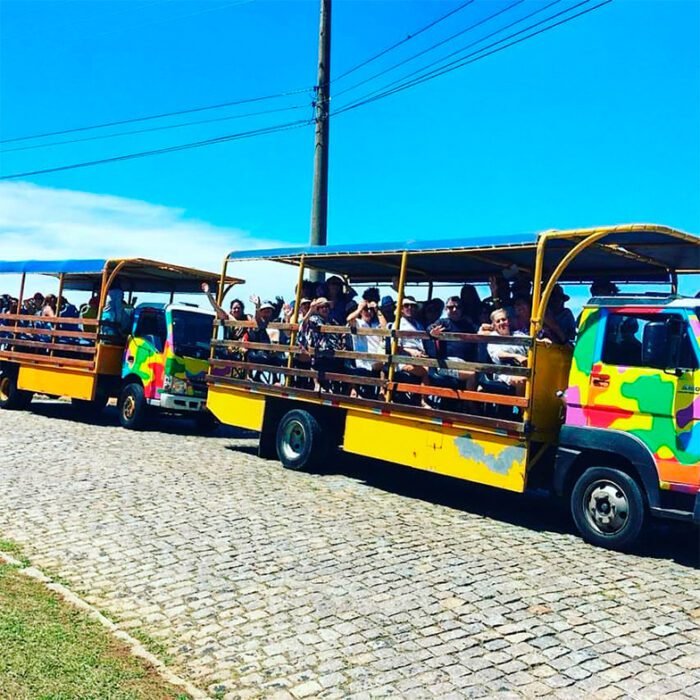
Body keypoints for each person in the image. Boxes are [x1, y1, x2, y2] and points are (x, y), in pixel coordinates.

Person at [427, 296, 476, 387]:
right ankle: (468, 401)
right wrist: (432, 332)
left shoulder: (467, 324)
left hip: (464, 363)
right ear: (446, 309)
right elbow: (431, 328)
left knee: (481, 372)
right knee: (472, 375)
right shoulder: (443, 322)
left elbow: (478, 332)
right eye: (450, 307)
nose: (454, 309)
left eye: (458, 307)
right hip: (446, 364)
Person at [298, 297, 345, 391]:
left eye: (326, 306)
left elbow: (341, 333)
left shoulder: (332, 321)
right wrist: (311, 310)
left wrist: (342, 342)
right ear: (318, 309)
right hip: (319, 353)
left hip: (333, 353)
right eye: (322, 307)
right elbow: (303, 324)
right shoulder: (313, 319)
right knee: (318, 362)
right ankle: (317, 384)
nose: (325, 309)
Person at [478, 308, 528, 396]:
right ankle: (523, 409)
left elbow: (531, 343)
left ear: (508, 321)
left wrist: (542, 340)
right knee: (521, 380)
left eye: (503, 319)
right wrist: (516, 356)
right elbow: (499, 354)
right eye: (498, 321)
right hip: (503, 371)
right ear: (494, 325)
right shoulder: (493, 337)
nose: (501, 322)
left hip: (523, 369)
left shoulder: (518, 335)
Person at [346, 298, 387, 397]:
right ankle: (381, 390)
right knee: (383, 363)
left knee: (385, 362)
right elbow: (349, 319)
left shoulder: (375, 324)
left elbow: (385, 327)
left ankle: (382, 391)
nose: (368, 312)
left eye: (370, 310)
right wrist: (360, 308)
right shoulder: (358, 322)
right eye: (366, 310)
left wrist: (377, 310)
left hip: (375, 359)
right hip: (364, 361)